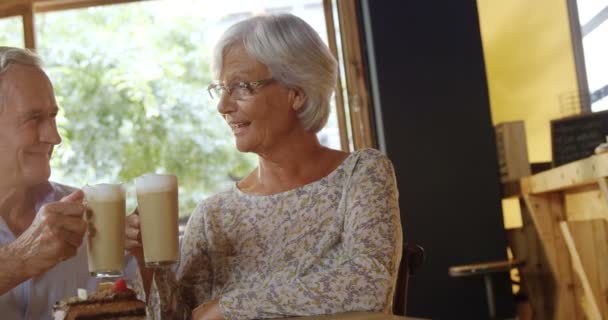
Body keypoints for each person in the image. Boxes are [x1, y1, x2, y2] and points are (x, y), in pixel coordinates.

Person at [126, 13, 403, 320]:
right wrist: (146, 259)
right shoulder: (213, 214)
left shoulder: (361, 174)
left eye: (242, 86)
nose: (223, 106)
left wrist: (228, 307)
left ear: (296, 93)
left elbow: (368, 285)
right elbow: (178, 317)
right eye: (221, 89)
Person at [0, 47, 98, 319]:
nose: (55, 137)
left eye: (53, 117)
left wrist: (146, 260)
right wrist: (20, 259)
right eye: (34, 119)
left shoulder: (88, 215)